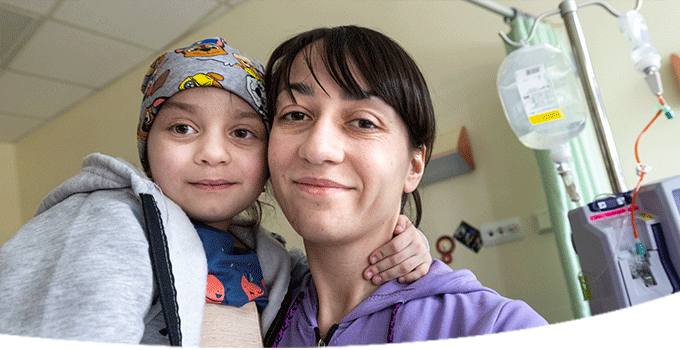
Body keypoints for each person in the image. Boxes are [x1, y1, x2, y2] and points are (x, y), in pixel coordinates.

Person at [0, 37, 432, 347]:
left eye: (242, 132)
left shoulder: (268, 261)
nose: (212, 154)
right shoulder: (109, 225)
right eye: (182, 128)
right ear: (146, 147)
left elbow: (329, 278)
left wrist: (403, 239)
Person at [262, 26, 549, 347]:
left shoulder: (495, 328)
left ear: (414, 167)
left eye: (363, 122)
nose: (318, 148)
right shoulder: (254, 301)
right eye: (295, 114)